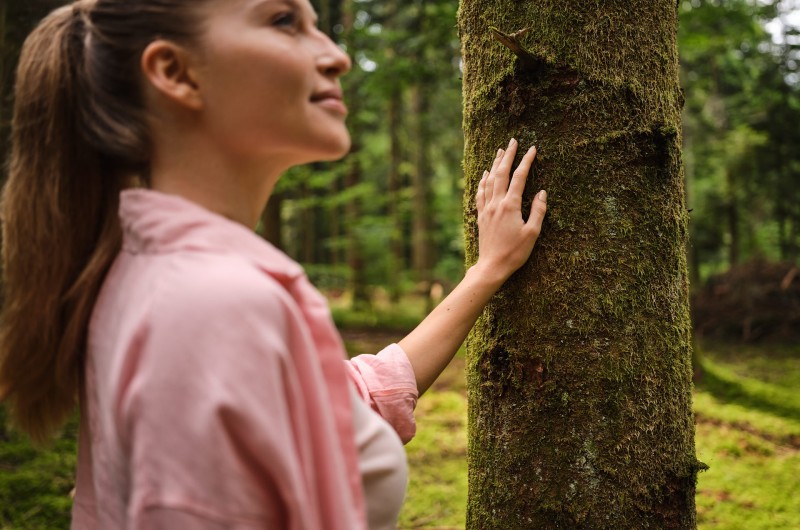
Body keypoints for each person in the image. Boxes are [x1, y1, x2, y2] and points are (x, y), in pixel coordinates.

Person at [0, 0, 548, 528]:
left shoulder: (152, 279)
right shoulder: (216, 305)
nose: (337, 55)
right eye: (284, 20)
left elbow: (338, 405)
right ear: (176, 71)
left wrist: (487, 271)